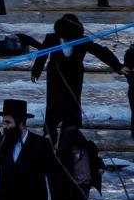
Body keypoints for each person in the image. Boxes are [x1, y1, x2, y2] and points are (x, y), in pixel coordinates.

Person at [31, 14, 129, 142]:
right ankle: (50, 135)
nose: (67, 41)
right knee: (54, 105)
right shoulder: (52, 39)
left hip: (74, 78)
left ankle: (67, 137)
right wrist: (35, 72)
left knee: (71, 106)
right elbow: (42, 55)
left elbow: (101, 52)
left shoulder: (82, 40)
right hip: (55, 77)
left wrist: (118, 66)